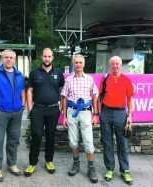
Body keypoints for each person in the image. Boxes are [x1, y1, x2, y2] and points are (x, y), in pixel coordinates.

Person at [0, 49, 26, 182]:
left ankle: (12, 164)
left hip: (16, 113)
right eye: (6, 57)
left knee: (13, 140)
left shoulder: (19, 74)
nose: (8, 59)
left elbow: (23, 90)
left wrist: (22, 105)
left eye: (11, 57)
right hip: (1, 113)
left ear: (14, 60)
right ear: (2, 59)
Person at [24, 48, 65, 177]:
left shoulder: (58, 73)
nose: (47, 59)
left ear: (53, 58)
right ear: (41, 57)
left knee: (51, 136)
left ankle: (49, 161)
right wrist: (30, 108)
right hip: (38, 109)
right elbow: (29, 90)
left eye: (49, 56)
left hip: (53, 109)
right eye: (45, 56)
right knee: (36, 136)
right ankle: (32, 163)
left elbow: (62, 91)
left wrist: (61, 108)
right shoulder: (34, 73)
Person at [61, 54, 99, 183]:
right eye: (76, 62)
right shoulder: (68, 80)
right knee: (73, 140)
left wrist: (95, 115)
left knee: (88, 141)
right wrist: (64, 116)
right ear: (73, 64)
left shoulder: (89, 79)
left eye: (80, 62)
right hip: (72, 112)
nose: (78, 65)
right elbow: (64, 97)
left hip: (86, 112)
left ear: (84, 64)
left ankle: (91, 167)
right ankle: (76, 163)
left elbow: (94, 97)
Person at [97, 56, 134, 185]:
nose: (115, 66)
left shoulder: (126, 80)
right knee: (107, 142)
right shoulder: (105, 79)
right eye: (112, 64)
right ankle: (110, 169)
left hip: (120, 114)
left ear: (121, 64)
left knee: (122, 143)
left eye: (117, 64)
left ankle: (125, 170)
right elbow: (99, 97)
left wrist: (130, 115)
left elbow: (130, 99)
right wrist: (99, 114)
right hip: (106, 113)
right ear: (109, 65)